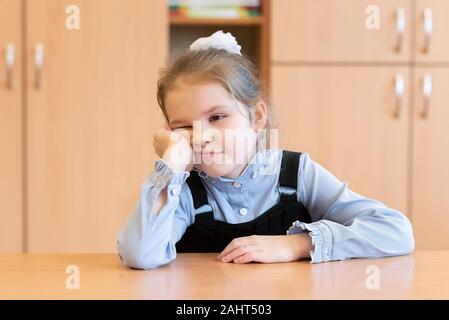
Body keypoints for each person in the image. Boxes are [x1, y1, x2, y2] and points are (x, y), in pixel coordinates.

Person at [117, 31, 414, 270]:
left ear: (257, 117)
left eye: (217, 117)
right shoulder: (181, 191)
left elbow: (395, 231)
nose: (202, 137)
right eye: (185, 127)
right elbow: (140, 254)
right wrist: (171, 166)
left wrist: (297, 245)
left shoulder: (297, 174)